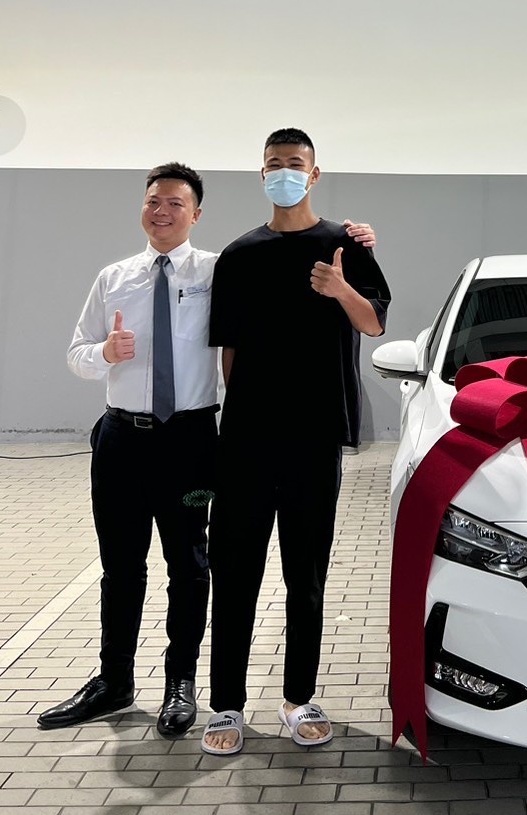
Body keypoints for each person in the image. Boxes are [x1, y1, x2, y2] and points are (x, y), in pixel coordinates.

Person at [43, 162, 377, 738]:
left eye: (175, 203)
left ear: (196, 214)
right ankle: (113, 680)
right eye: (154, 201)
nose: (162, 212)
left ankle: (181, 682)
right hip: (120, 441)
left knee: (190, 565)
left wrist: (356, 238)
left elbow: (263, 316)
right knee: (120, 566)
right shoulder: (113, 277)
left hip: (190, 442)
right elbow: (77, 353)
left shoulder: (221, 268)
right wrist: (104, 354)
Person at [201, 128, 391, 754]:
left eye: (295, 164)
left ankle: (299, 697)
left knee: (305, 576)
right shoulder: (239, 254)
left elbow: (374, 322)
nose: (284, 172)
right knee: (235, 575)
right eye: (274, 164)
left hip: (314, 437)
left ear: (314, 174)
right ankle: (226, 706)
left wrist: (339, 288)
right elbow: (229, 351)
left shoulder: (346, 245)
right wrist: (241, 420)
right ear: (263, 174)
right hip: (247, 440)